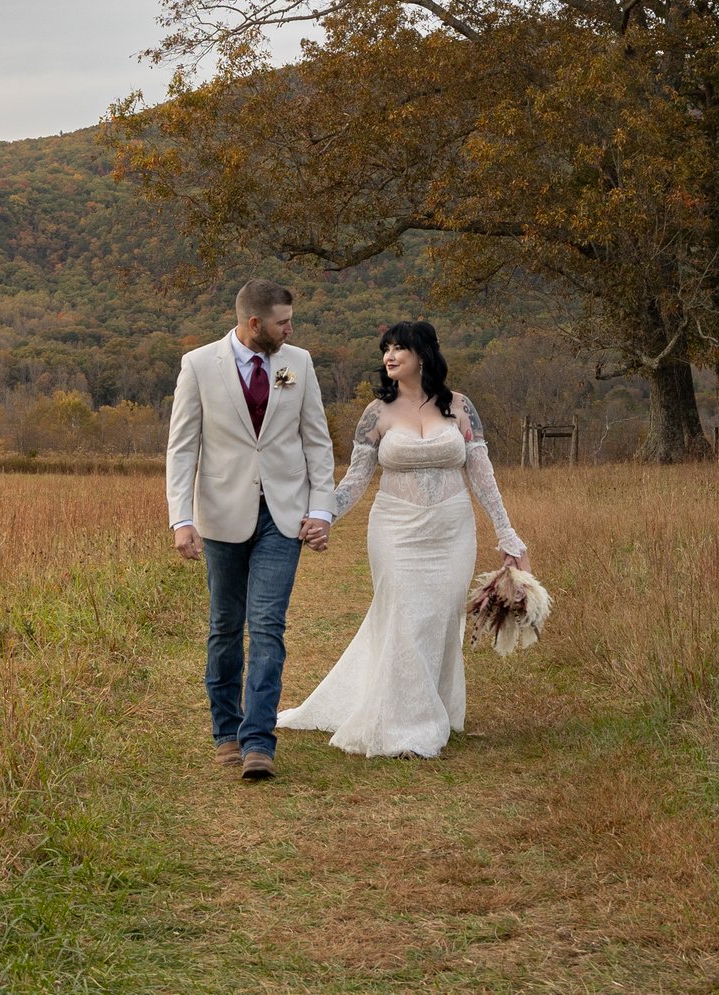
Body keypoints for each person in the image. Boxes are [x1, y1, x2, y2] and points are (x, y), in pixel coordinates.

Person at [279, 319, 529, 758]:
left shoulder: (460, 407)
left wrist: (508, 535)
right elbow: (356, 480)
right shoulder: (377, 414)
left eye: (399, 348)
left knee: (439, 620)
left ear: (424, 354)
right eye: (386, 349)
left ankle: (434, 709)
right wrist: (323, 516)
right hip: (395, 529)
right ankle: (409, 728)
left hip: (452, 530)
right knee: (405, 615)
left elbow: (483, 477)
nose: (389, 357)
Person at [166, 278, 335, 781]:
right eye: (283, 322)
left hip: (282, 515)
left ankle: (258, 740)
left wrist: (321, 509)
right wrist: (182, 518)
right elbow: (182, 447)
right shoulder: (199, 365)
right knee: (225, 627)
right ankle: (226, 730)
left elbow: (317, 442)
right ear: (254, 323)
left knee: (267, 625)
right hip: (221, 513)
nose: (291, 329)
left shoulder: (298, 363)